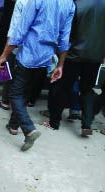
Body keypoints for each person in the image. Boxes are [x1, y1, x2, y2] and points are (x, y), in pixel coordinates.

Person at [0, 0, 75, 151]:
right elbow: (65, 38)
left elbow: (20, 30)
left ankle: (28, 129)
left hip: (28, 54)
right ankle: (13, 125)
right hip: (46, 57)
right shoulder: (69, 4)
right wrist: (60, 65)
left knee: (14, 94)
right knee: (25, 92)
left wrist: (4, 55)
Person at [44, 0, 105, 137]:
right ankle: (86, 124)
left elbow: (67, 32)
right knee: (87, 89)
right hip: (95, 55)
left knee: (62, 87)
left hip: (73, 54)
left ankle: (54, 122)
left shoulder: (76, 5)